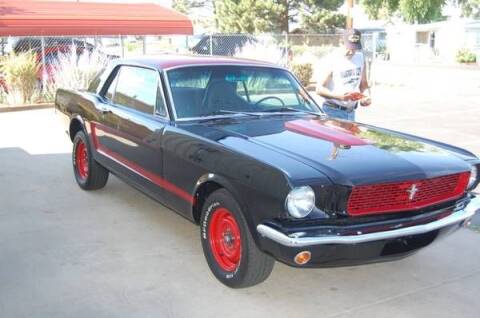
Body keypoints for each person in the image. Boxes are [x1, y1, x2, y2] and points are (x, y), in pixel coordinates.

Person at [316, 28, 371, 121]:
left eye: (355, 48)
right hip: (333, 112)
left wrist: (365, 97)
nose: (352, 51)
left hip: (351, 112)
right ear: (341, 43)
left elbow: (364, 85)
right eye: (349, 47)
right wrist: (339, 97)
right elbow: (319, 89)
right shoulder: (331, 59)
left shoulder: (360, 58)